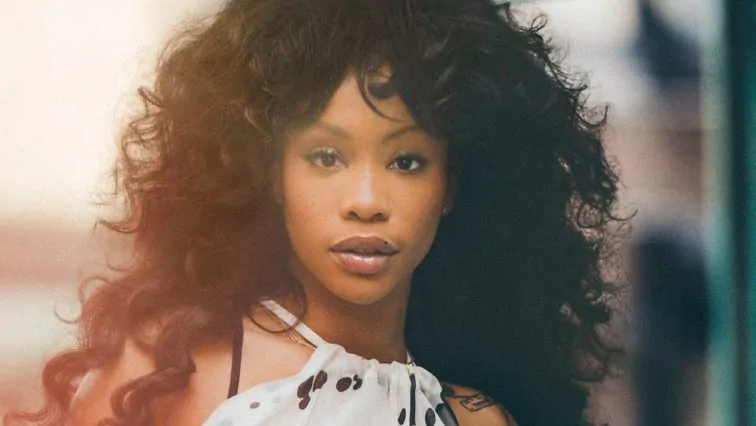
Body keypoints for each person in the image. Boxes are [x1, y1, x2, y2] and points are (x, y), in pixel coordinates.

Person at [7, 0, 625, 425]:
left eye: (406, 161)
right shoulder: (170, 368)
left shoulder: (476, 418)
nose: (366, 201)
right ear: (270, 176)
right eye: (326, 157)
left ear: (452, 186)